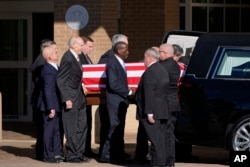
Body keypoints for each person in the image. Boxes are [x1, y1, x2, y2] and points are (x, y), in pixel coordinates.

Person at [135, 47, 169, 167]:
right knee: (160, 140)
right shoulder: (162, 69)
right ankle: (160, 163)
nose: (144, 60)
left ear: (149, 57)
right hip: (162, 109)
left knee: (155, 141)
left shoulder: (150, 72)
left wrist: (149, 113)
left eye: (144, 57)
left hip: (152, 112)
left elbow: (149, 94)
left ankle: (157, 164)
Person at [56, 36, 88, 163]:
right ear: (74, 45)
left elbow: (74, 77)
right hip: (71, 100)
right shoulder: (68, 58)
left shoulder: (77, 57)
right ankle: (72, 154)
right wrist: (66, 98)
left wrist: (82, 86)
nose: (82, 47)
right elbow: (61, 80)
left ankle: (79, 153)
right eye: (81, 45)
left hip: (79, 99)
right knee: (72, 129)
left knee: (82, 127)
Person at [100, 41, 133, 164]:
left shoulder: (119, 62)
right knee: (114, 128)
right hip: (115, 101)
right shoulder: (113, 63)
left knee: (119, 128)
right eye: (126, 49)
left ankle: (117, 153)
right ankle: (106, 154)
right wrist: (128, 92)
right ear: (119, 51)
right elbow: (113, 85)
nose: (128, 52)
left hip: (120, 101)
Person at [30, 39, 56, 161]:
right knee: (44, 129)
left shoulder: (42, 61)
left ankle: (42, 153)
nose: (56, 51)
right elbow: (44, 85)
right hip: (43, 101)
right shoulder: (42, 62)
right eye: (54, 49)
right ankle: (43, 153)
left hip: (44, 99)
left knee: (43, 129)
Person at [38, 44, 64, 163]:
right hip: (51, 105)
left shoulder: (55, 67)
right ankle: (48, 155)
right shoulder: (48, 70)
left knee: (56, 130)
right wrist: (51, 108)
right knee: (49, 131)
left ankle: (57, 152)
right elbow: (48, 90)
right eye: (55, 53)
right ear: (49, 57)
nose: (57, 54)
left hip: (56, 104)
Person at [159, 43, 181, 167]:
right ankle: (170, 161)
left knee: (164, 134)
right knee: (170, 134)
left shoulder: (161, 66)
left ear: (164, 53)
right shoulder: (175, 65)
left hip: (164, 104)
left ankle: (165, 161)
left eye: (160, 52)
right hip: (173, 103)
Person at [79, 36, 96, 157]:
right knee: (83, 124)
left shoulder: (87, 58)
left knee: (88, 123)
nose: (91, 49)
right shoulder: (79, 58)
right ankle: (83, 149)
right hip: (83, 97)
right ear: (83, 45)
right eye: (90, 46)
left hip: (89, 97)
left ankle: (87, 148)